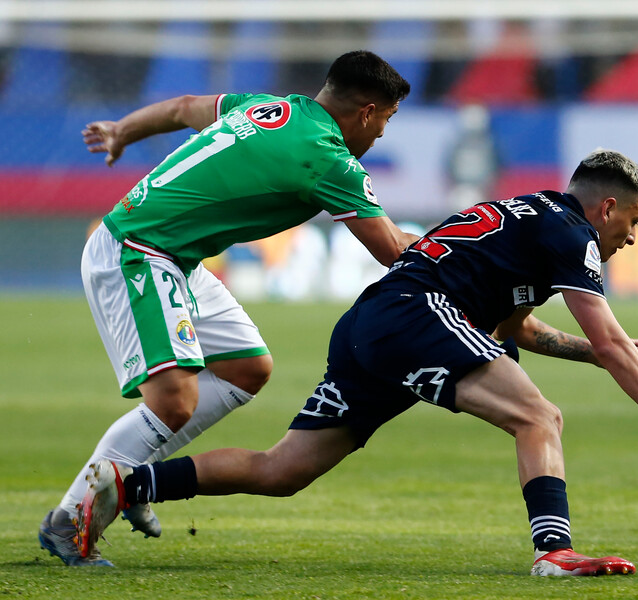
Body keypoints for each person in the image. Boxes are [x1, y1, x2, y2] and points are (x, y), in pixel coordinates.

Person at [77, 149, 638, 575]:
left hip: (373, 325)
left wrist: (587, 353)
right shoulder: (573, 235)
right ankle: (554, 553)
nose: (632, 237)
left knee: (284, 469)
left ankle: (124, 485)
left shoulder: (528, 219)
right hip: (415, 317)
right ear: (608, 206)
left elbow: (514, 327)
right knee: (539, 416)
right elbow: (614, 340)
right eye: (635, 222)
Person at [39, 50, 422, 567]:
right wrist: (470, 252)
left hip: (177, 257)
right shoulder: (329, 158)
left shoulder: (267, 107)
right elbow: (395, 253)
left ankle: (131, 482)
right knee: (173, 400)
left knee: (246, 369)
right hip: (139, 252)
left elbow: (181, 107)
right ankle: (70, 519)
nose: (381, 137)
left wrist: (123, 131)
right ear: (369, 111)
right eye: (387, 122)